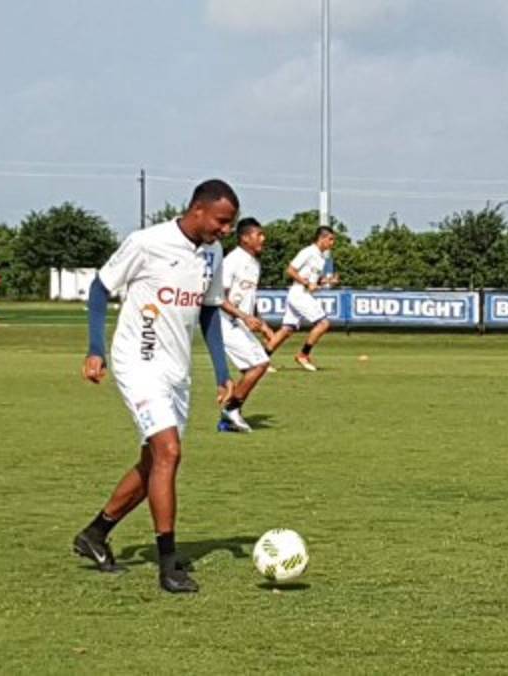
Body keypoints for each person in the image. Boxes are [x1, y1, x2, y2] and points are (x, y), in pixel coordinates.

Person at [73, 179, 237, 594]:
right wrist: (96, 349)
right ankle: (168, 566)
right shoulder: (147, 242)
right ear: (198, 209)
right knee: (169, 452)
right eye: (221, 221)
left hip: (176, 371)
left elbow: (210, 313)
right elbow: (100, 288)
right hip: (138, 362)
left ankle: (95, 533)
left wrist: (222, 372)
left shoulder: (212, 254)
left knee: (153, 463)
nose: (225, 230)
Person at [217, 217, 276, 432]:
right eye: (258, 235)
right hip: (224, 322)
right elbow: (217, 298)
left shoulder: (254, 263)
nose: (263, 238)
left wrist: (262, 323)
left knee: (256, 366)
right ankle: (231, 411)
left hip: (238, 322)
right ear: (244, 238)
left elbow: (250, 297)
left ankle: (228, 418)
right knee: (259, 364)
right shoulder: (232, 261)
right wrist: (244, 316)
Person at [264, 226, 339, 371]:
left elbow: (313, 280)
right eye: (330, 239)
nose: (332, 243)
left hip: (300, 294)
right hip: (299, 293)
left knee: (287, 330)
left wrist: (328, 281)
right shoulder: (308, 252)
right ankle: (303, 355)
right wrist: (306, 283)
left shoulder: (321, 257)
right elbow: (290, 270)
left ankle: (261, 359)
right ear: (322, 238)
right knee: (323, 323)